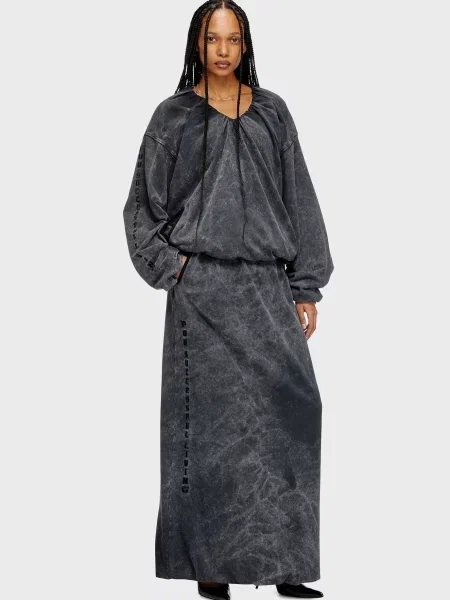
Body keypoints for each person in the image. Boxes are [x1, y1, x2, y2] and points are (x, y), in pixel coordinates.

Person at [122, 2, 334, 599]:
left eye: (232, 39)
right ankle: (210, 569)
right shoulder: (172, 118)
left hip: (266, 288)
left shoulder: (272, 112)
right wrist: (176, 269)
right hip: (202, 297)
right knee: (209, 435)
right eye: (212, 38)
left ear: (245, 45)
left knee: (294, 413)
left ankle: (284, 565)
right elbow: (141, 210)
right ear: (197, 43)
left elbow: (299, 197)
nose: (222, 50)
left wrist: (304, 284)